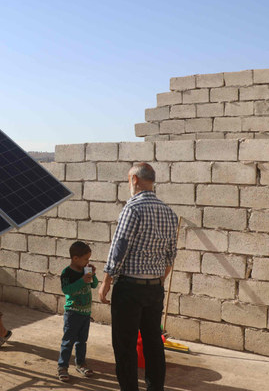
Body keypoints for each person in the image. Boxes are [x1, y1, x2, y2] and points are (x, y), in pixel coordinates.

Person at [98, 163, 178, 391]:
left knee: (125, 346)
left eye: (128, 180)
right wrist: (157, 281)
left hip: (129, 288)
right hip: (154, 288)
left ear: (134, 180)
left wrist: (106, 281)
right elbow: (171, 256)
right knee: (153, 343)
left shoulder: (132, 208)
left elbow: (119, 248)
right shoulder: (168, 212)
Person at [57, 241, 99, 382]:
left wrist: (93, 274)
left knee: (82, 341)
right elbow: (67, 290)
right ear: (75, 258)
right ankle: (62, 367)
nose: (88, 261)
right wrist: (82, 280)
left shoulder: (85, 270)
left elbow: (93, 285)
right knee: (68, 341)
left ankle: (80, 364)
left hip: (85, 313)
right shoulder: (67, 273)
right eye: (86, 259)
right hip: (72, 313)